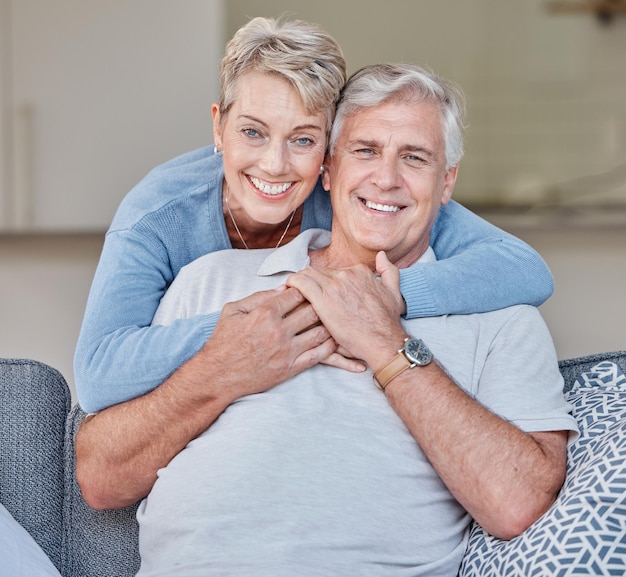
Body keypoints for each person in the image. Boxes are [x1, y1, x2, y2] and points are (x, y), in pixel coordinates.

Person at [77, 63, 578, 577]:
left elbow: (517, 503)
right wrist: (223, 369)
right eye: (365, 151)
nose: (386, 178)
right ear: (329, 169)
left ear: (446, 181)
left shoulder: (500, 316)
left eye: (414, 157)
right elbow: (99, 477)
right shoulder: (206, 280)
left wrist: (388, 344)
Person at [73, 16, 555, 415]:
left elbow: (523, 267)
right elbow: (99, 372)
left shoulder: (352, 194)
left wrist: (382, 296)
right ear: (218, 125)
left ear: (329, 152)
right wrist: (255, 328)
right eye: (253, 132)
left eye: (302, 139)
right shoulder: (157, 215)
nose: (275, 165)